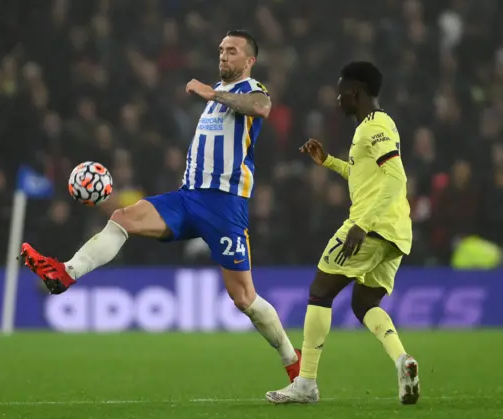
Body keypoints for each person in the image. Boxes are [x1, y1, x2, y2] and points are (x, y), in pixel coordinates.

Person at [21, 30, 301, 382]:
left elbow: (262, 108)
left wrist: (212, 92)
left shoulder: (251, 91)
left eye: (232, 51)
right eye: (221, 50)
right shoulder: (217, 98)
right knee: (122, 218)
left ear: (249, 61)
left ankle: (293, 362)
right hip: (187, 197)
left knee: (244, 298)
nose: (224, 56)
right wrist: (214, 94)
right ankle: (64, 274)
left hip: (224, 206)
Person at [265, 62, 419, 404]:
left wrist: (362, 225)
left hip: (371, 226)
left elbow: (395, 178)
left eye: (340, 90)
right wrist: (329, 162)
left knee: (320, 290)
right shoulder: (372, 127)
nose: (337, 98)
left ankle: (305, 383)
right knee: (365, 303)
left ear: (355, 92)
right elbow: (366, 176)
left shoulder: (375, 126)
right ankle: (402, 360)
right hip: (395, 232)